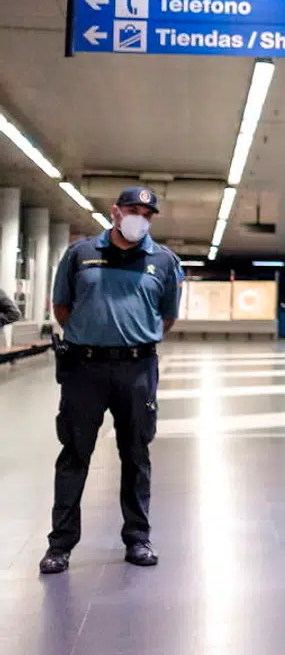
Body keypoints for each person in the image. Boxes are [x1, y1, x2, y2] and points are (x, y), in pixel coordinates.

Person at [40, 187, 182, 575]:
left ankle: (138, 538)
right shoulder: (81, 255)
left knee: (136, 454)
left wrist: (130, 340)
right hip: (84, 369)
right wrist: (95, 337)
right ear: (115, 212)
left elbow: (166, 316)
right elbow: (62, 307)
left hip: (137, 370)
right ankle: (60, 545)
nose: (140, 218)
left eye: (147, 213)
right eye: (133, 210)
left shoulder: (164, 261)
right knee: (74, 454)